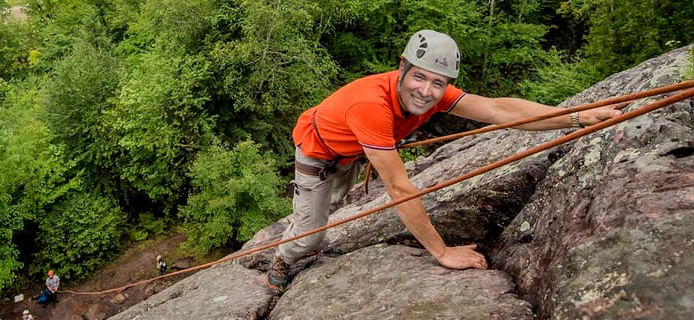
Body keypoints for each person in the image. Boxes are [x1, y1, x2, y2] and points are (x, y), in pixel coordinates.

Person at [265, 29, 623, 290]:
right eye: (419, 77)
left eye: (438, 83)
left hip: (351, 150)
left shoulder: (434, 92)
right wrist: (441, 252)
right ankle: (282, 258)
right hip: (318, 151)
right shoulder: (371, 106)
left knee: (332, 203)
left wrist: (576, 116)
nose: (426, 91)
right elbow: (398, 187)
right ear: (401, 67)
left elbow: (498, 109)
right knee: (312, 236)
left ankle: (306, 222)